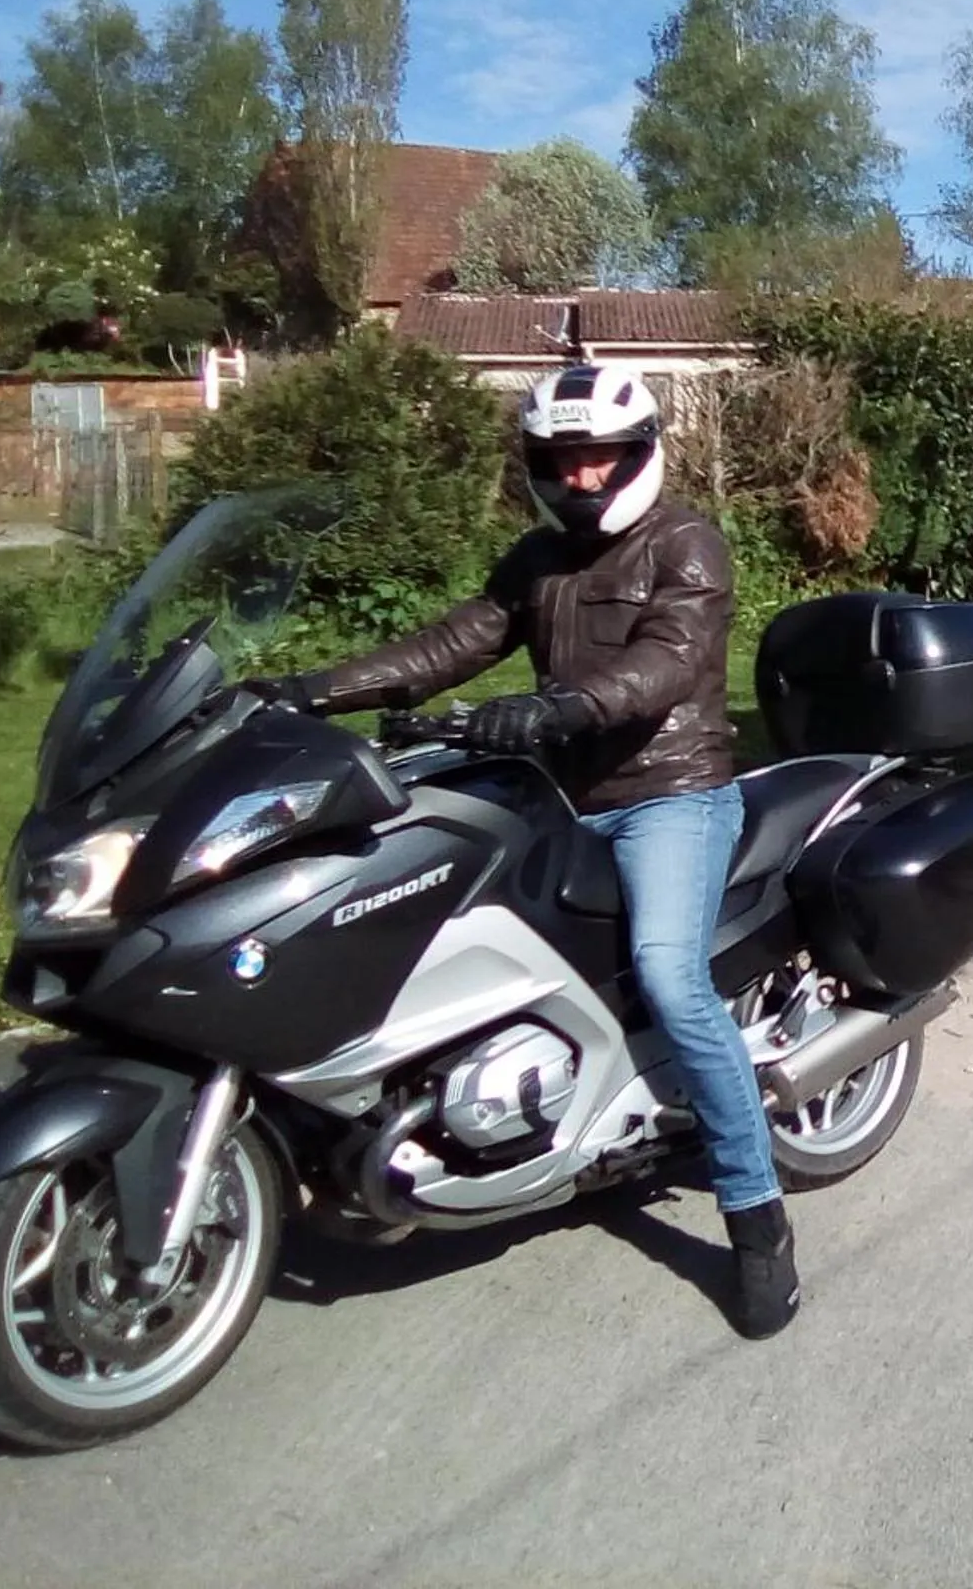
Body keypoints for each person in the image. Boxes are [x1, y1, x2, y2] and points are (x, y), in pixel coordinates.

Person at [254, 364, 800, 1337]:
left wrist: (560, 706)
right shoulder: (538, 559)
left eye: (599, 459)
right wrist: (317, 688)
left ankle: (756, 1220)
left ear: (637, 456)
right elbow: (455, 641)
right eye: (563, 461)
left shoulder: (686, 544)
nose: (583, 478)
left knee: (672, 978)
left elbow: (665, 664)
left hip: (668, 797)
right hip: (556, 792)